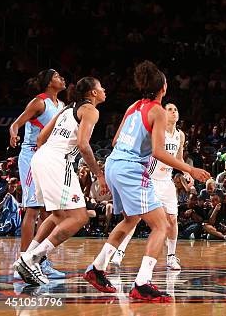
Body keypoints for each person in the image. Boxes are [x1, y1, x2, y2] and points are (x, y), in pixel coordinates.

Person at [83, 61, 210, 302]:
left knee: (131, 220)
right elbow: (159, 152)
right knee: (161, 225)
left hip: (113, 163)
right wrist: (190, 169)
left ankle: (97, 268)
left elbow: (116, 139)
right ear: (163, 87)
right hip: (130, 168)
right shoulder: (158, 111)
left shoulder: (133, 106)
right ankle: (142, 283)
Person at [13, 77, 107, 285]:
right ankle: (33, 258)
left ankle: (26, 258)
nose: (104, 90)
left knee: (58, 215)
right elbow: (83, 145)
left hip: (41, 157)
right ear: (92, 93)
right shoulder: (91, 111)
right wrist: (98, 175)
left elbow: (40, 139)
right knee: (79, 217)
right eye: (101, 87)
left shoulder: (66, 109)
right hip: (57, 160)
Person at [110, 103, 186, 271]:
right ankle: (120, 252)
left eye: (176, 109)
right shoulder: (157, 131)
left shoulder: (180, 135)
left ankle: (171, 257)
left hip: (166, 181)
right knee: (135, 218)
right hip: (150, 178)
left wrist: (186, 172)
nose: (173, 112)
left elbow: (179, 158)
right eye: (170, 109)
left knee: (172, 219)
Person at [9, 69, 67, 279]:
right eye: (57, 76)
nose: (62, 79)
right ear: (48, 82)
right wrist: (14, 133)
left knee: (48, 213)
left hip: (49, 158)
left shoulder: (61, 106)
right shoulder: (39, 102)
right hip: (32, 156)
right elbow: (17, 123)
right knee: (32, 209)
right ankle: (22, 261)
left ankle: (40, 261)